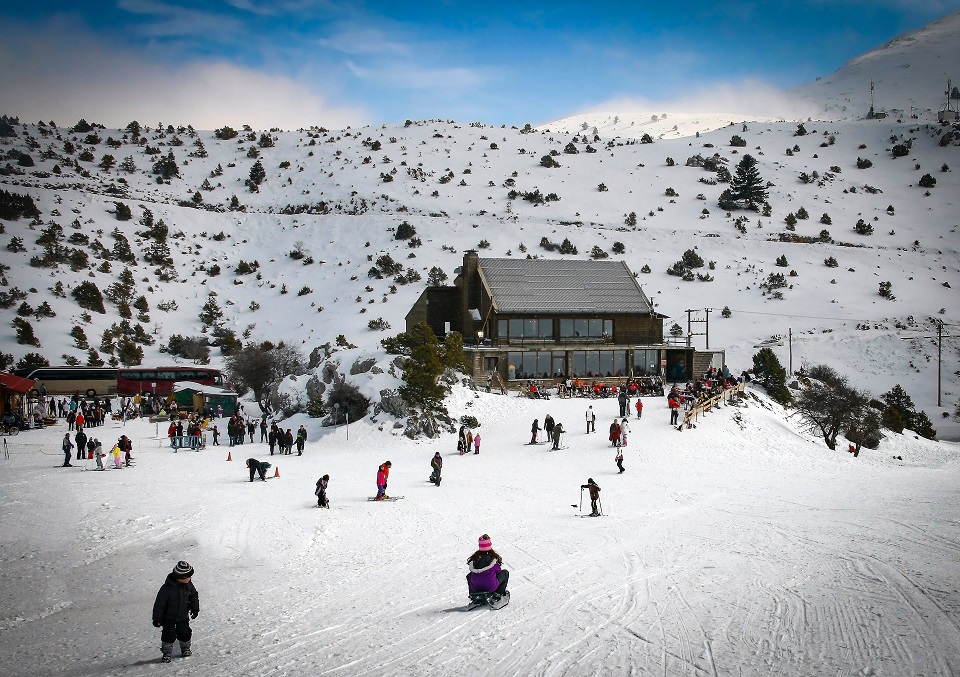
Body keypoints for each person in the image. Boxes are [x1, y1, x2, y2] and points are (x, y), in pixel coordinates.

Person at [152, 560, 200, 663]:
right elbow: (159, 604)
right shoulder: (166, 589)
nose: (190, 579)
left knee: (185, 632)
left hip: (182, 616)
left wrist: (195, 608)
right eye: (188, 577)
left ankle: (185, 648)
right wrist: (157, 618)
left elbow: (194, 596)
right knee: (168, 635)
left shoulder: (189, 585)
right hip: (169, 618)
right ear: (181, 578)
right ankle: (167, 653)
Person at [466, 534, 509, 604]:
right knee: (505, 573)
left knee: (469, 575)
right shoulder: (492, 560)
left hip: (475, 587)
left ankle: (473, 595)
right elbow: (498, 571)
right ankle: (498, 594)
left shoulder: (475, 559)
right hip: (490, 587)